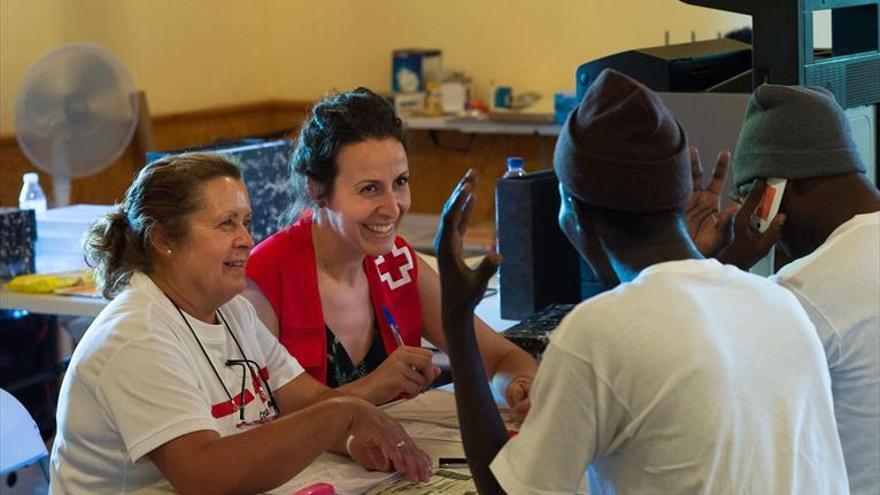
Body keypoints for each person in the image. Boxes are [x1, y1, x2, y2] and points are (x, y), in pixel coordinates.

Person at [434, 69, 849, 494]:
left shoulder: (598, 333)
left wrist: (456, 322)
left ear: (575, 212)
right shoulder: (778, 304)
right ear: (677, 199)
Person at [51, 153, 432, 494]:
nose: (247, 240)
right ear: (164, 239)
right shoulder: (136, 337)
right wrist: (341, 415)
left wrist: (352, 436)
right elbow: (204, 476)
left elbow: (305, 400)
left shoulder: (234, 310)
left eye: (247, 222)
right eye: (226, 224)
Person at [244, 88, 537, 415]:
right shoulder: (262, 281)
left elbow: (502, 357)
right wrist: (370, 389)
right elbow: (261, 420)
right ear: (317, 190)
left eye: (400, 182)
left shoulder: (397, 261)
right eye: (369, 189)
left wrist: (516, 386)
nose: (392, 207)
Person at [689, 84, 879, 495]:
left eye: (746, 200)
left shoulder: (801, 293)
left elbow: (682, 381)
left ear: (769, 194)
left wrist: (724, 262)